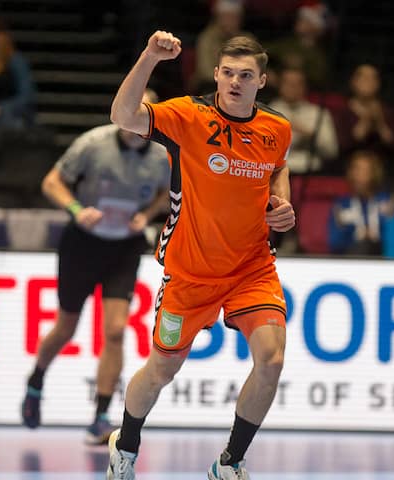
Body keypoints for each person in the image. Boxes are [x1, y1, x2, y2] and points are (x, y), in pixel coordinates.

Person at [107, 31, 295, 480]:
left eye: (245, 75)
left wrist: (280, 203)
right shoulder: (188, 115)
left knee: (271, 360)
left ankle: (229, 463)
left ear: (261, 81)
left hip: (252, 266)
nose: (235, 81)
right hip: (190, 270)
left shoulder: (277, 128)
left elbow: (277, 167)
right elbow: (123, 115)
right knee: (162, 368)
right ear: (216, 74)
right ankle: (126, 444)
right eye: (228, 72)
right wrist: (150, 56)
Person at [21, 89, 170, 445]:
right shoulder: (93, 144)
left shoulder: (164, 155)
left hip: (124, 247)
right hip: (83, 243)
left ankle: (101, 417)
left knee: (116, 330)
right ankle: (36, 380)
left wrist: (147, 216)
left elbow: (167, 193)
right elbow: (51, 182)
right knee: (66, 327)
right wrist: (76, 210)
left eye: (145, 112)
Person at [328, 150, 394, 255]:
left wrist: (376, 236)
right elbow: (334, 243)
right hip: (351, 261)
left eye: (364, 170)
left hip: (384, 260)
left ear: (375, 173)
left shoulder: (390, 204)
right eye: (355, 170)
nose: (359, 175)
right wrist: (357, 237)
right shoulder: (341, 206)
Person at [268, 67, 338, 175]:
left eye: (297, 84)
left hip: (312, 174)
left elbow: (331, 151)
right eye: (288, 83)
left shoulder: (318, 113)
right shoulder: (269, 112)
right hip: (276, 173)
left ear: (305, 87)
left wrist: (309, 134)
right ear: (280, 85)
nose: (292, 87)